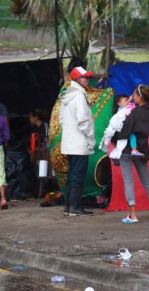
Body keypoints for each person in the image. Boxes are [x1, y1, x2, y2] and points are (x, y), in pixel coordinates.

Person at [114, 84, 149, 224]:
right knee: (146, 180)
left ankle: (133, 215)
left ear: (139, 97)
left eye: (134, 96)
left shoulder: (133, 113)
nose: (132, 98)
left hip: (126, 151)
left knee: (129, 182)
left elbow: (124, 132)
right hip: (142, 150)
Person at [60, 66, 96, 216]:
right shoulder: (79, 96)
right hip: (79, 142)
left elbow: (61, 120)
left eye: (87, 77)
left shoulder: (67, 95)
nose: (86, 80)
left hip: (69, 142)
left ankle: (69, 207)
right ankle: (75, 207)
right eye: (84, 77)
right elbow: (83, 121)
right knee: (77, 175)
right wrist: (90, 138)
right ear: (76, 79)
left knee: (72, 175)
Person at [99, 94, 144, 165]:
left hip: (125, 129)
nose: (128, 102)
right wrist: (129, 99)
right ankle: (134, 150)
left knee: (121, 145)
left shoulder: (127, 109)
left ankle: (115, 157)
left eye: (128, 100)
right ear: (119, 104)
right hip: (122, 130)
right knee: (132, 137)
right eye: (125, 100)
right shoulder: (121, 110)